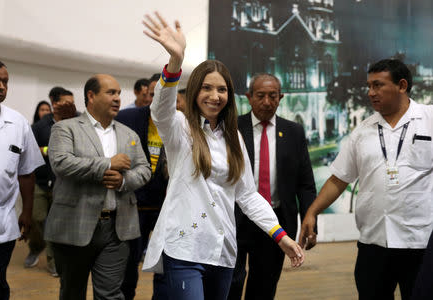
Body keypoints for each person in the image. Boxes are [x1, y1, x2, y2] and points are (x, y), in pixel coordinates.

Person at [141, 13, 304, 300]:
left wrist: (281, 237)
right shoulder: (180, 127)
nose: (214, 96)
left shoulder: (233, 137)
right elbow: (160, 110)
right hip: (185, 246)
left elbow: (248, 195)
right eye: (206, 87)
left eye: (221, 89)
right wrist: (176, 61)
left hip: (223, 249)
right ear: (194, 91)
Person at [299, 59, 433, 300]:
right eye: (368, 86)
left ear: (402, 85)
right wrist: (312, 212)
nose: (371, 93)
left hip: (421, 243)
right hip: (374, 244)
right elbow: (339, 179)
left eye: (378, 85)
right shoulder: (362, 131)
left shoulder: (429, 120)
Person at [44, 74, 151, 299]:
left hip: (117, 228)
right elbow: (61, 164)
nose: (117, 99)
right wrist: (107, 164)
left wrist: (123, 181)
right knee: (72, 292)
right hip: (75, 225)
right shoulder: (66, 128)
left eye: (119, 94)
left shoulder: (128, 134)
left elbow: (144, 170)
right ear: (91, 96)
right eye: (111, 93)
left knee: (111, 295)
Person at [228, 73, 316, 300]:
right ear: (249, 97)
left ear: (281, 97)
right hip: (235, 219)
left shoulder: (294, 132)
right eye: (260, 96)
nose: (267, 102)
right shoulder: (232, 128)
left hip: (276, 221)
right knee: (231, 281)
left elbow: (305, 183)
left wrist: (309, 218)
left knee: (264, 285)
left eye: (273, 96)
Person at [0, 57, 44, 299]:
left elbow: (27, 173)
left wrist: (26, 212)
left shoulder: (18, 123)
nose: (1, 87)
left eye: (5, 82)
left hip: (2, 221)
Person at [116, 100, 170, 300]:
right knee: (129, 263)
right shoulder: (127, 118)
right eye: (155, 90)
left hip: (166, 207)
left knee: (166, 265)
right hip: (134, 204)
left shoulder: (178, 120)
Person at [24, 88, 77, 276]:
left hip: (62, 184)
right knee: (37, 219)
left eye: (73, 102)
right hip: (40, 180)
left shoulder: (77, 123)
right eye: (66, 102)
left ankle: (53, 261)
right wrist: (48, 150)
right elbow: (31, 150)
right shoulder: (41, 126)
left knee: (55, 225)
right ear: (55, 104)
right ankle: (36, 246)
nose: (71, 106)